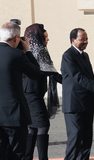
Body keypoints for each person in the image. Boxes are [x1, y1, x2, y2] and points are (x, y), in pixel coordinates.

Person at [61, 28, 94, 160]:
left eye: (87, 39)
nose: (86, 42)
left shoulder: (84, 55)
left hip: (86, 103)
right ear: (73, 40)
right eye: (82, 39)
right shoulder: (68, 56)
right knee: (75, 137)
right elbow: (78, 78)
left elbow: (89, 76)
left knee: (87, 138)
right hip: (74, 104)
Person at [0, 22, 41, 160]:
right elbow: (35, 73)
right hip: (14, 116)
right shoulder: (16, 54)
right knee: (17, 154)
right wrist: (27, 51)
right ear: (17, 38)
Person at [23, 23, 62, 160]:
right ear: (38, 37)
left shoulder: (28, 50)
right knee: (43, 125)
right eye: (45, 36)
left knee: (32, 127)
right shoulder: (39, 51)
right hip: (32, 94)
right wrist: (69, 81)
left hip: (30, 93)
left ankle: (27, 157)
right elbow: (51, 73)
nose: (48, 39)